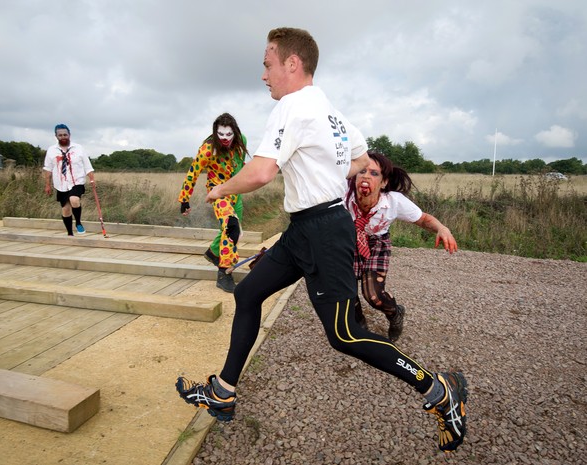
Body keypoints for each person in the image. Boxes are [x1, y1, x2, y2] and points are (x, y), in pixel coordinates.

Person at [176, 27, 468, 453]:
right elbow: (363, 161)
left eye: (267, 64)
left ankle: (439, 390)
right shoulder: (331, 112)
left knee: (345, 335)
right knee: (250, 293)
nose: (264, 75)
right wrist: (325, 176)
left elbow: (260, 172)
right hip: (307, 227)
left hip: (323, 229)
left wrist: (220, 190)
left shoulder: (292, 106)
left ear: (292, 63)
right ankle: (223, 391)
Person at [346, 151, 458, 341]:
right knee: (344, 291)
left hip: (376, 243)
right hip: (347, 240)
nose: (366, 176)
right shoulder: (341, 195)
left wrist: (442, 228)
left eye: (374, 173)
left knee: (374, 296)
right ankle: (359, 324)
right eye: (362, 171)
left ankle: (395, 313)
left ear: (384, 182)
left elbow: (422, 219)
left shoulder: (393, 201)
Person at [178, 113, 248, 293]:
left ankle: (213, 252)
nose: (225, 139)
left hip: (235, 192)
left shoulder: (241, 141)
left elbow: (239, 164)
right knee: (231, 227)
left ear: (235, 132)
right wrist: (184, 200)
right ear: (215, 132)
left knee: (233, 231)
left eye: (229, 134)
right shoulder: (207, 150)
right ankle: (224, 273)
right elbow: (192, 173)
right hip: (217, 192)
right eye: (221, 134)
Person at [43, 124, 95, 236]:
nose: (63, 137)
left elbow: (88, 166)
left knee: (74, 199)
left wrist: (92, 179)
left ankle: (78, 223)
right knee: (66, 209)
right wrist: (47, 185)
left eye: (65, 134)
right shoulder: (52, 150)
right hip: (61, 184)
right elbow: (48, 169)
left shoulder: (78, 148)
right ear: (56, 136)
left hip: (77, 181)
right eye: (60, 135)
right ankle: (70, 233)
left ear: (69, 135)